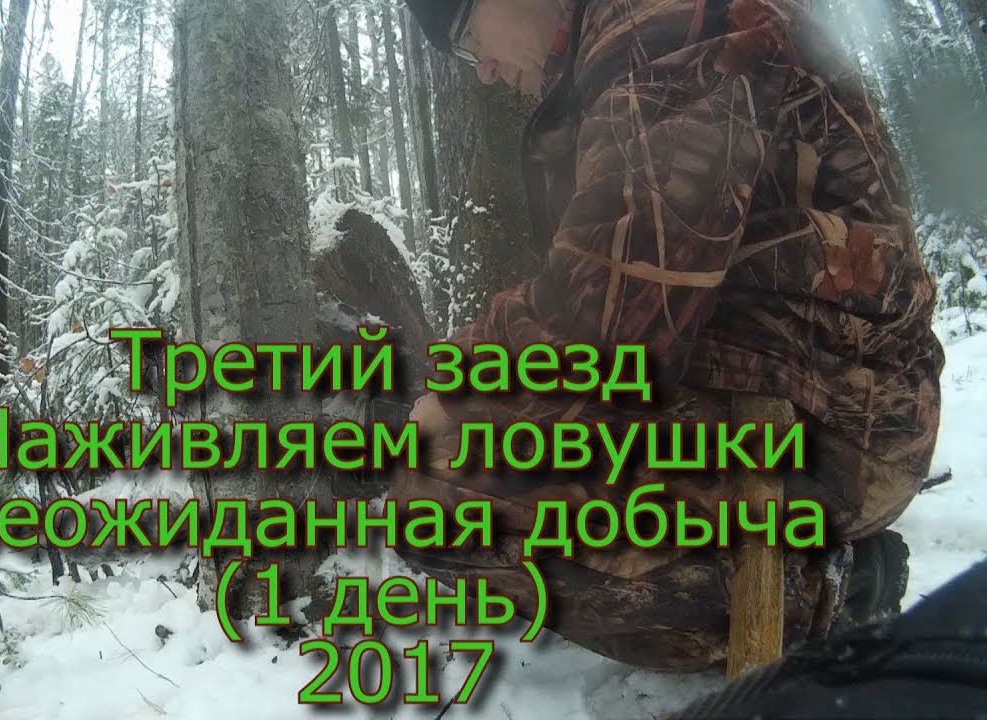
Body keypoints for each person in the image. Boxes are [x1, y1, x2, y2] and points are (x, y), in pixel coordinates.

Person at [394, 0, 944, 671]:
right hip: (810, 390)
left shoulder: (654, 27)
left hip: (832, 422)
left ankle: (818, 591)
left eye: (466, 35)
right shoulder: (631, 37)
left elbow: (608, 317)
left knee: (433, 500)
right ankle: (807, 568)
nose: (480, 69)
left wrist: (459, 387)